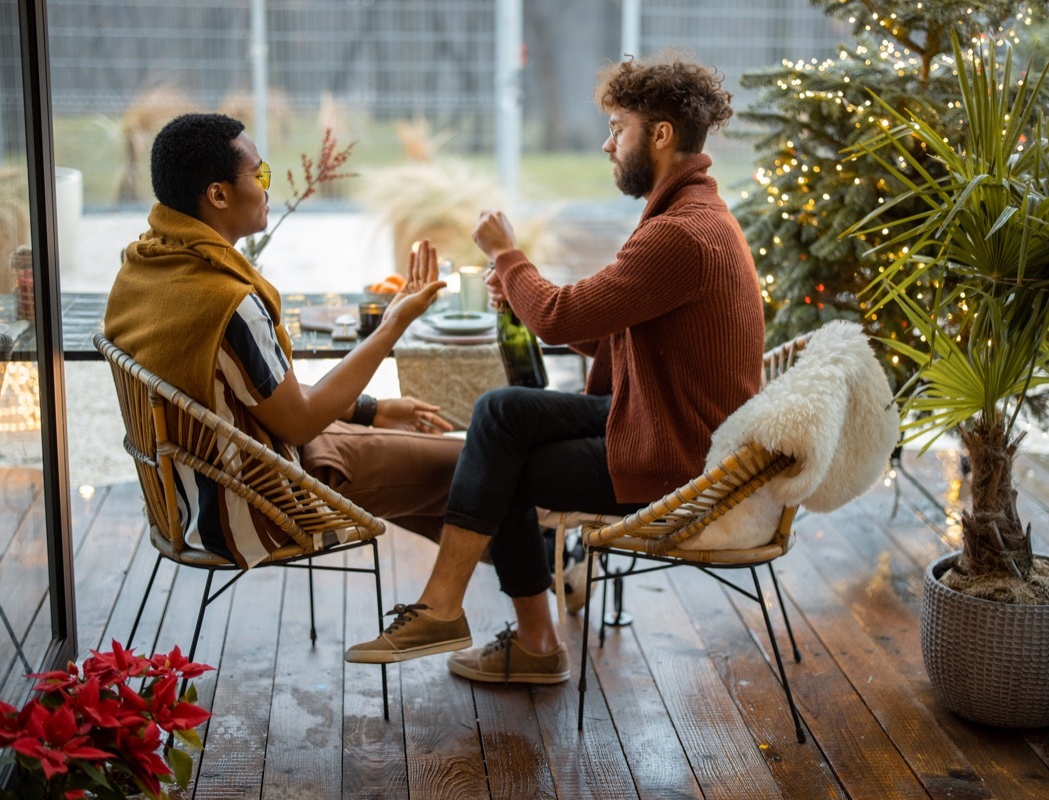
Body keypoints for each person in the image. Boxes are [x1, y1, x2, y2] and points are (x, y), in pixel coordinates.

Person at [345, 51, 765, 684]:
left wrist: (509, 258)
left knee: (499, 464)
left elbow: (562, 318)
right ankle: (463, 613)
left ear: (660, 135)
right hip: (662, 420)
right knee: (500, 412)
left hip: (678, 455)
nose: (606, 144)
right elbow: (625, 337)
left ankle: (510, 634)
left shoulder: (680, 233)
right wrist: (519, 288)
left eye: (617, 128)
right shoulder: (692, 217)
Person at [104, 112, 462, 568]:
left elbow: (261, 393)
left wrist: (373, 412)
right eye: (260, 174)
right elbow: (300, 422)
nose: (268, 187)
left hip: (192, 497)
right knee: (478, 462)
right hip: (262, 502)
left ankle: (543, 584)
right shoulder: (227, 302)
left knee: (456, 484)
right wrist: (394, 322)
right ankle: (532, 601)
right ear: (218, 195)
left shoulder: (146, 268)